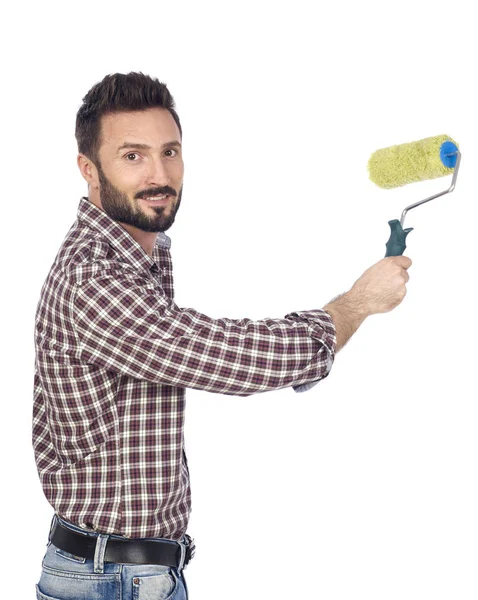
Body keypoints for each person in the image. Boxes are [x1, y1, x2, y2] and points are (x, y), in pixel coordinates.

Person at [32, 71, 412, 600]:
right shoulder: (94, 280)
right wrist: (357, 304)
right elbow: (224, 355)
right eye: (133, 156)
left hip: (130, 571)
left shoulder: (142, 254)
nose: (159, 174)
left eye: (170, 152)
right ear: (88, 170)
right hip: (109, 580)